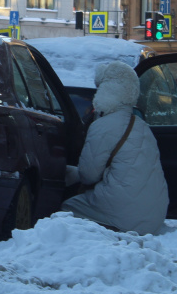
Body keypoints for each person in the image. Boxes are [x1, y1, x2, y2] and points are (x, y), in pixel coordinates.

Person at [63, 60, 169, 235]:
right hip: (155, 218)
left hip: (124, 216)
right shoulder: (142, 126)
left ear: (105, 92)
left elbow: (88, 175)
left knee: (66, 209)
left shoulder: (102, 126)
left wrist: (69, 172)